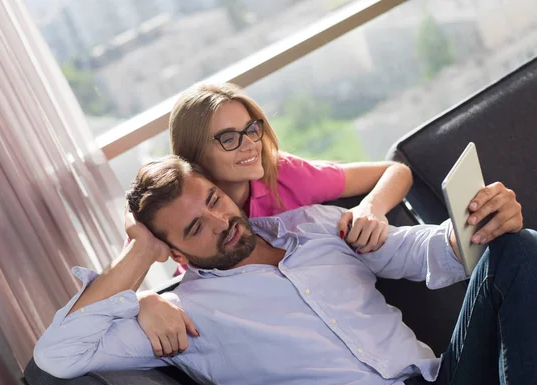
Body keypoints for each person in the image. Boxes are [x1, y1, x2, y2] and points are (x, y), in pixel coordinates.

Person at [35, 156, 535, 385]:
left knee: (517, 247)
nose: (218, 222)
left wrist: (482, 220)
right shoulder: (182, 315)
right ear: (174, 250)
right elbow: (57, 356)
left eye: (212, 199)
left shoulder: (314, 226)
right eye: (193, 229)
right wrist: (141, 259)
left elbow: (428, 251)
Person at [134, 83, 503, 358]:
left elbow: (395, 172)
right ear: (194, 155)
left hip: (349, 306)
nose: (248, 144)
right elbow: (157, 249)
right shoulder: (194, 217)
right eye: (228, 138)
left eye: (251, 129)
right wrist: (145, 299)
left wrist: (370, 208)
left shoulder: (284, 175)